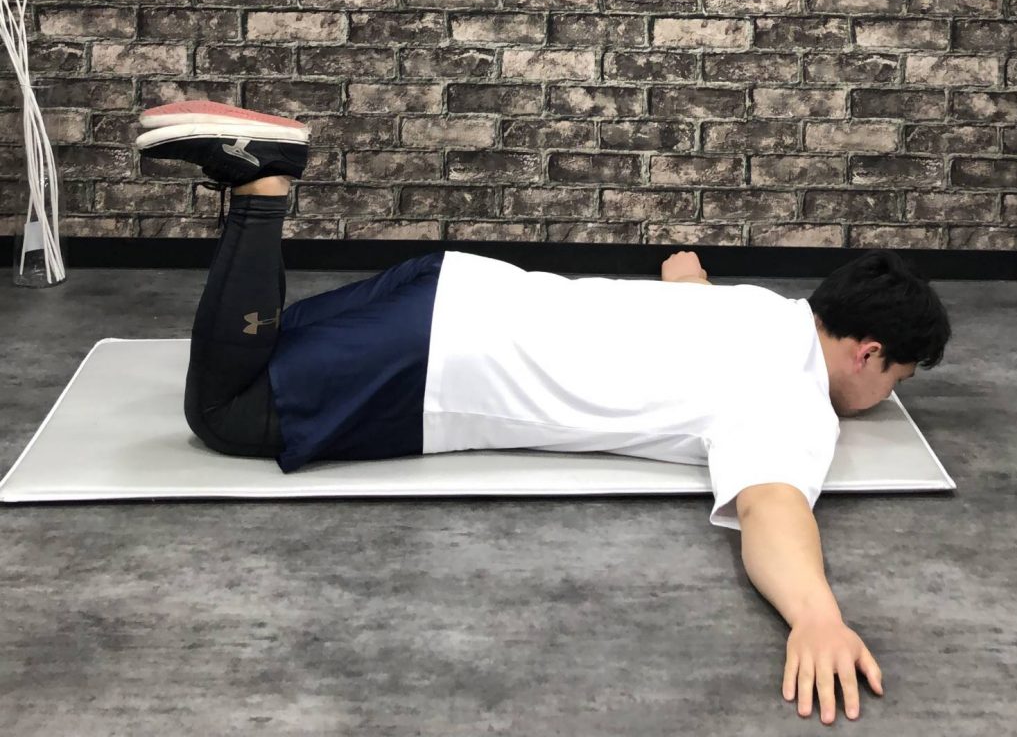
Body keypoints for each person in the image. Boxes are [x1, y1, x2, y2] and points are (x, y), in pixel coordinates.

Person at [136, 100, 951, 725]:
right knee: (228, 413)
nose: (887, 397)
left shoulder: (766, 310)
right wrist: (817, 619)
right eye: (898, 378)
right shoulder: (792, 398)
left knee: (263, 346)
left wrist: (687, 280)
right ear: (868, 352)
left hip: (451, 285)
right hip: (434, 358)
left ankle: (250, 174)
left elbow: (694, 312)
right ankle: (261, 183)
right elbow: (773, 509)